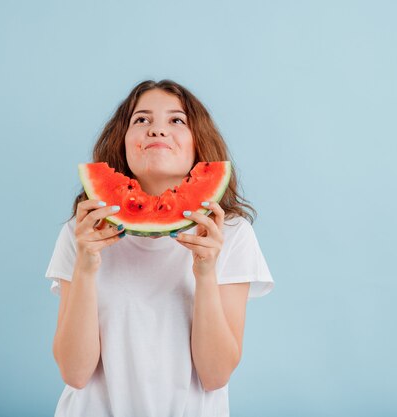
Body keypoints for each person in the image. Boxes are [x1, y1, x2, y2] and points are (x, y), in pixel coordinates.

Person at [44, 79, 274, 417]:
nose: (157, 130)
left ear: (199, 143)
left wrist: (206, 272)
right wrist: (86, 265)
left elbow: (216, 375)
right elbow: (75, 374)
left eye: (176, 120)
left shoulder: (231, 233)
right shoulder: (83, 232)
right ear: (122, 143)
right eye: (141, 120)